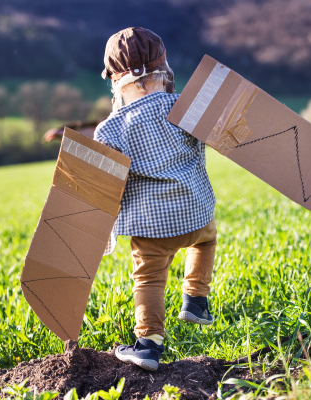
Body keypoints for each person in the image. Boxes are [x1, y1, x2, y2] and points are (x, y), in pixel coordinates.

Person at [94, 27, 217, 372]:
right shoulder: (185, 108)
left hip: (151, 230)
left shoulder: (110, 129)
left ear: (117, 84)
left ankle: (148, 344)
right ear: (164, 73)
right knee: (206, 242)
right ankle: (196, 298)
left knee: (148, 279)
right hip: (197, 216)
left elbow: (102, 190)